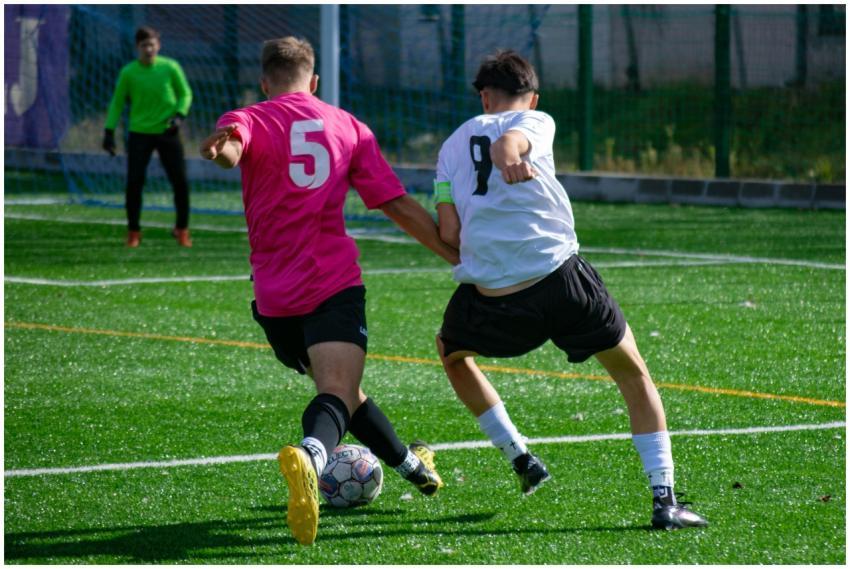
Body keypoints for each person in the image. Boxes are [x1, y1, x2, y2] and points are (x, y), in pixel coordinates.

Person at [433, 50, 708, 531]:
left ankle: (520, 458)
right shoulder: (536, 120)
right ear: (532, 97)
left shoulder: (449, 148)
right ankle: (664, 500)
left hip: (494, 297)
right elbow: (510, 144)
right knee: (634, 375)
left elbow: (450, 234)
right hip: (562, 282)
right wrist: (509, 157)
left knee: (452, 353)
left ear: (484, 97)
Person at [199, 36, 459, 546]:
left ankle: (414, 467)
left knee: (345, 392)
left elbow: (232, 148)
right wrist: (455, 254)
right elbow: (394, 203)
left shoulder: (248, 117)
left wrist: (219, 149)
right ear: (314, 81)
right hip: (330, 282)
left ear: (265, 83)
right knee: (336, 390)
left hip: (273, 298)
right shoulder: (348, 127)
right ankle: (311, 457)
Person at [103, 26, 193, 248]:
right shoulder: (129, 72)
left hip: (168, 132)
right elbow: (117, 102)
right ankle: (133, 231)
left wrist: (179, 116)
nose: (149, 49)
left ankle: (182, 229)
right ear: (138, 47)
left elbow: (185, 93)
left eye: (152, 45)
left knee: (180, 182)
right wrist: (109, 131)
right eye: (144, 45)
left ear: (158, 45)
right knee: (134, 183)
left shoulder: (170, 67)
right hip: (139, 134)